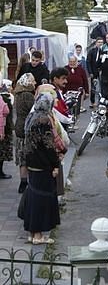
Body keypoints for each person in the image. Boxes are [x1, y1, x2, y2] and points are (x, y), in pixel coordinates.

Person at [21, 93, 61, 245]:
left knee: (33, 197)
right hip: (43, 165)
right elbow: (48, 145)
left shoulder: (31, 117)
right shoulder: (44, 120)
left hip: (32, 163)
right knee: (41, 199)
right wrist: (55, 164)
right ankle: (38, 235)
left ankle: (32, 233)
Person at [14, 73, 36, 193]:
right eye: (33, 81)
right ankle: (26, 183)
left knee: (22, 156)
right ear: (27, 82)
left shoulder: (18, 94)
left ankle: (23, 182)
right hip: (26, 127)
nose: (35, 83)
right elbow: (34, 110)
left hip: (19, 126)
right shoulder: (28, 95)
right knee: (26, 156)